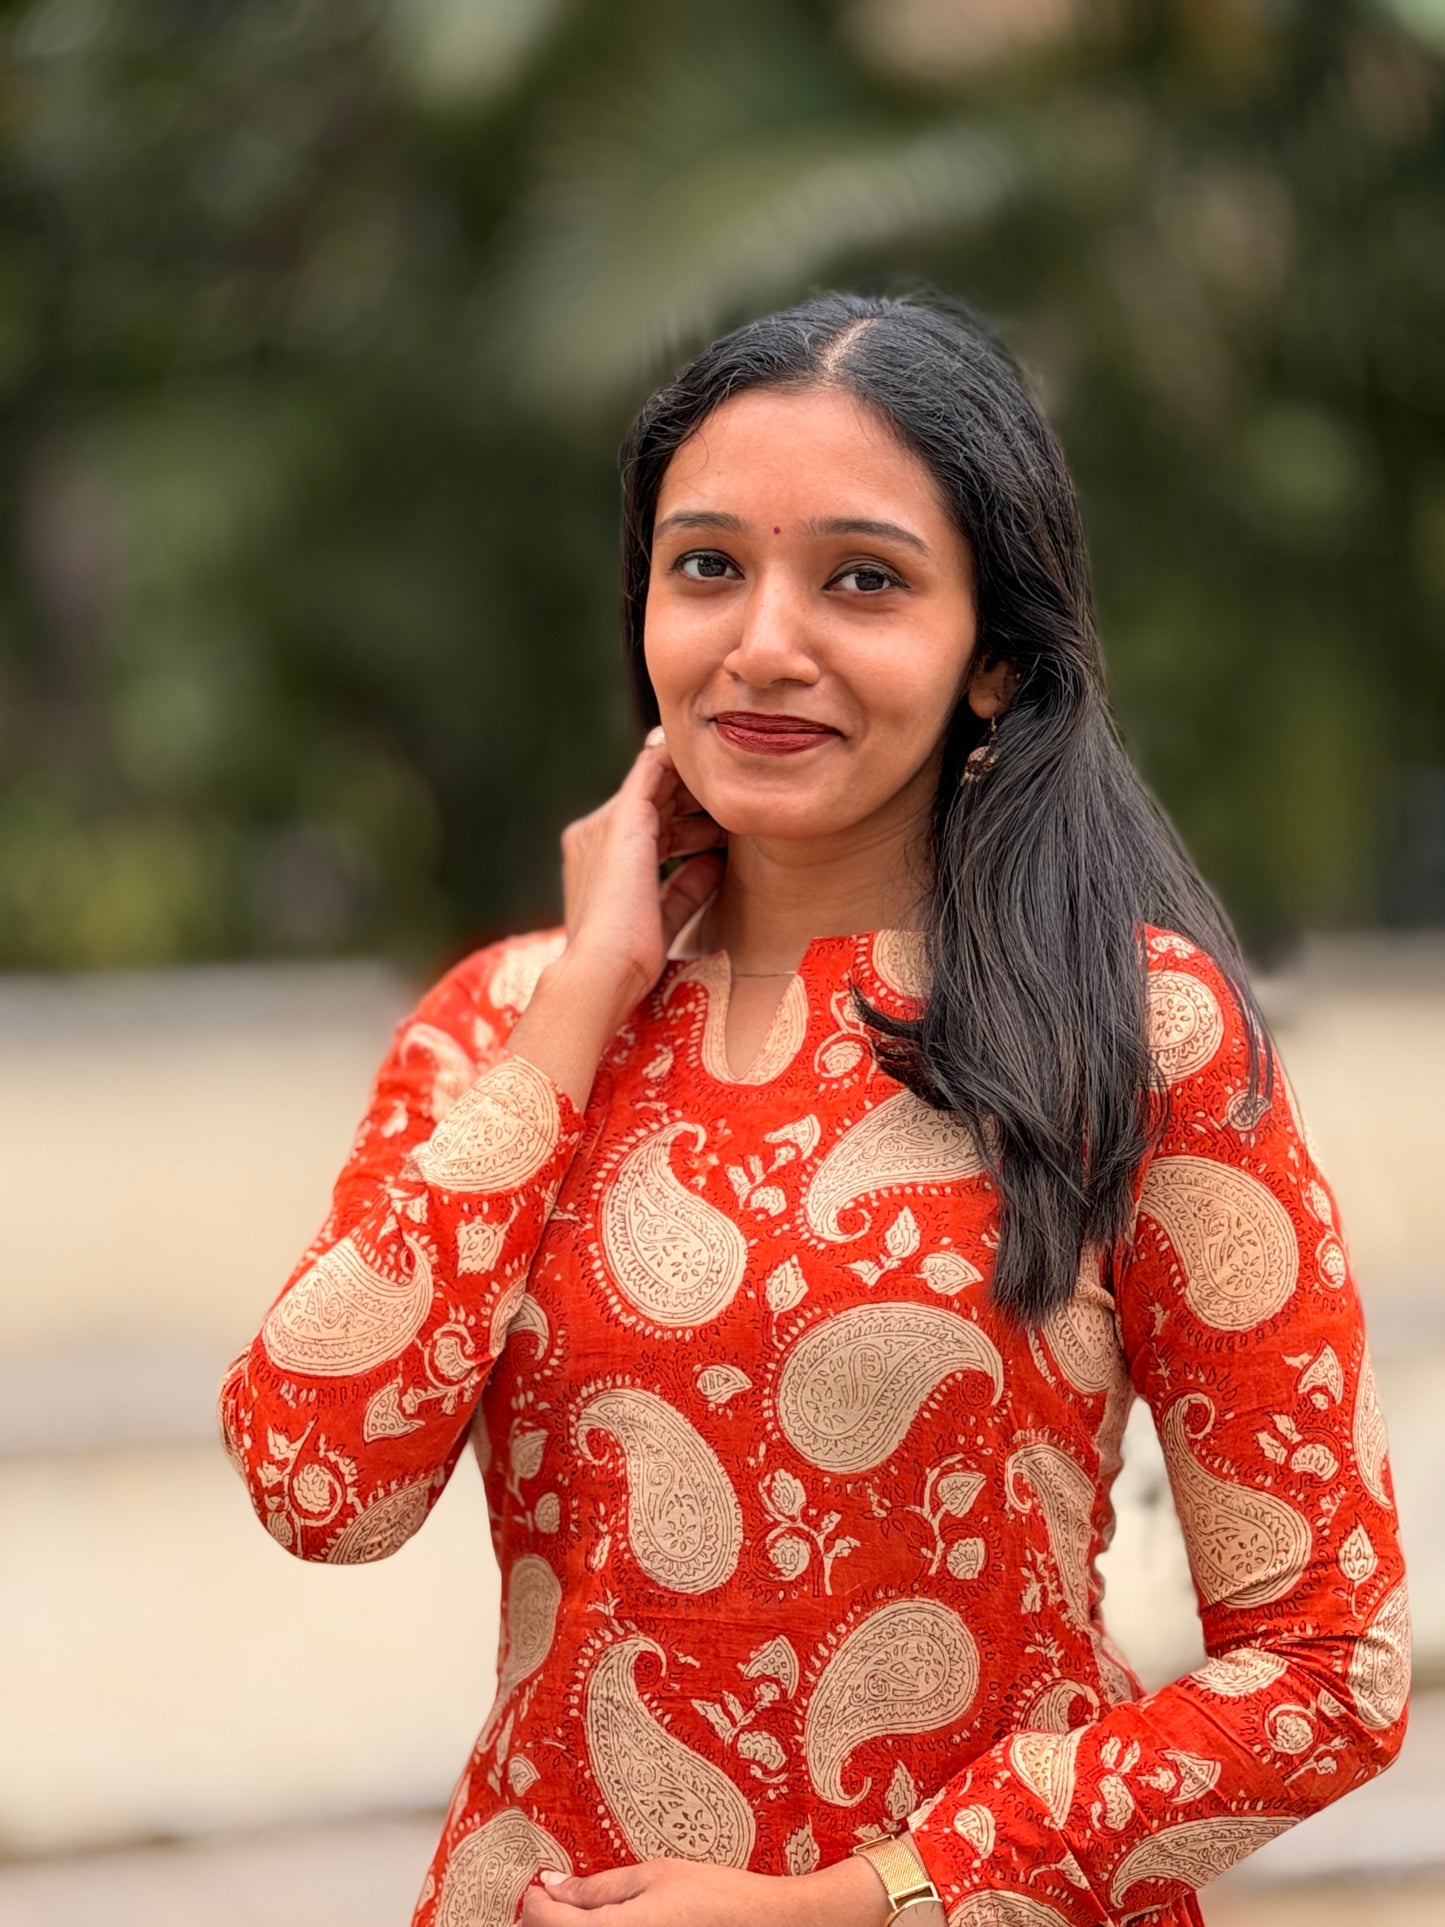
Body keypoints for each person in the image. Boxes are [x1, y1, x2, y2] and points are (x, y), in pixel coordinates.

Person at [219, 290, 1409, 1927]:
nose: (764, 643)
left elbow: (1325, 1668)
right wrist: (582, 1001)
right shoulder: (502, 1024)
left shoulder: (1128, 1032)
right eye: (706, 565)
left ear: (993, 651)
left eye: (862, 578)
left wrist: (866, 1897)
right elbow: (315, 1480)